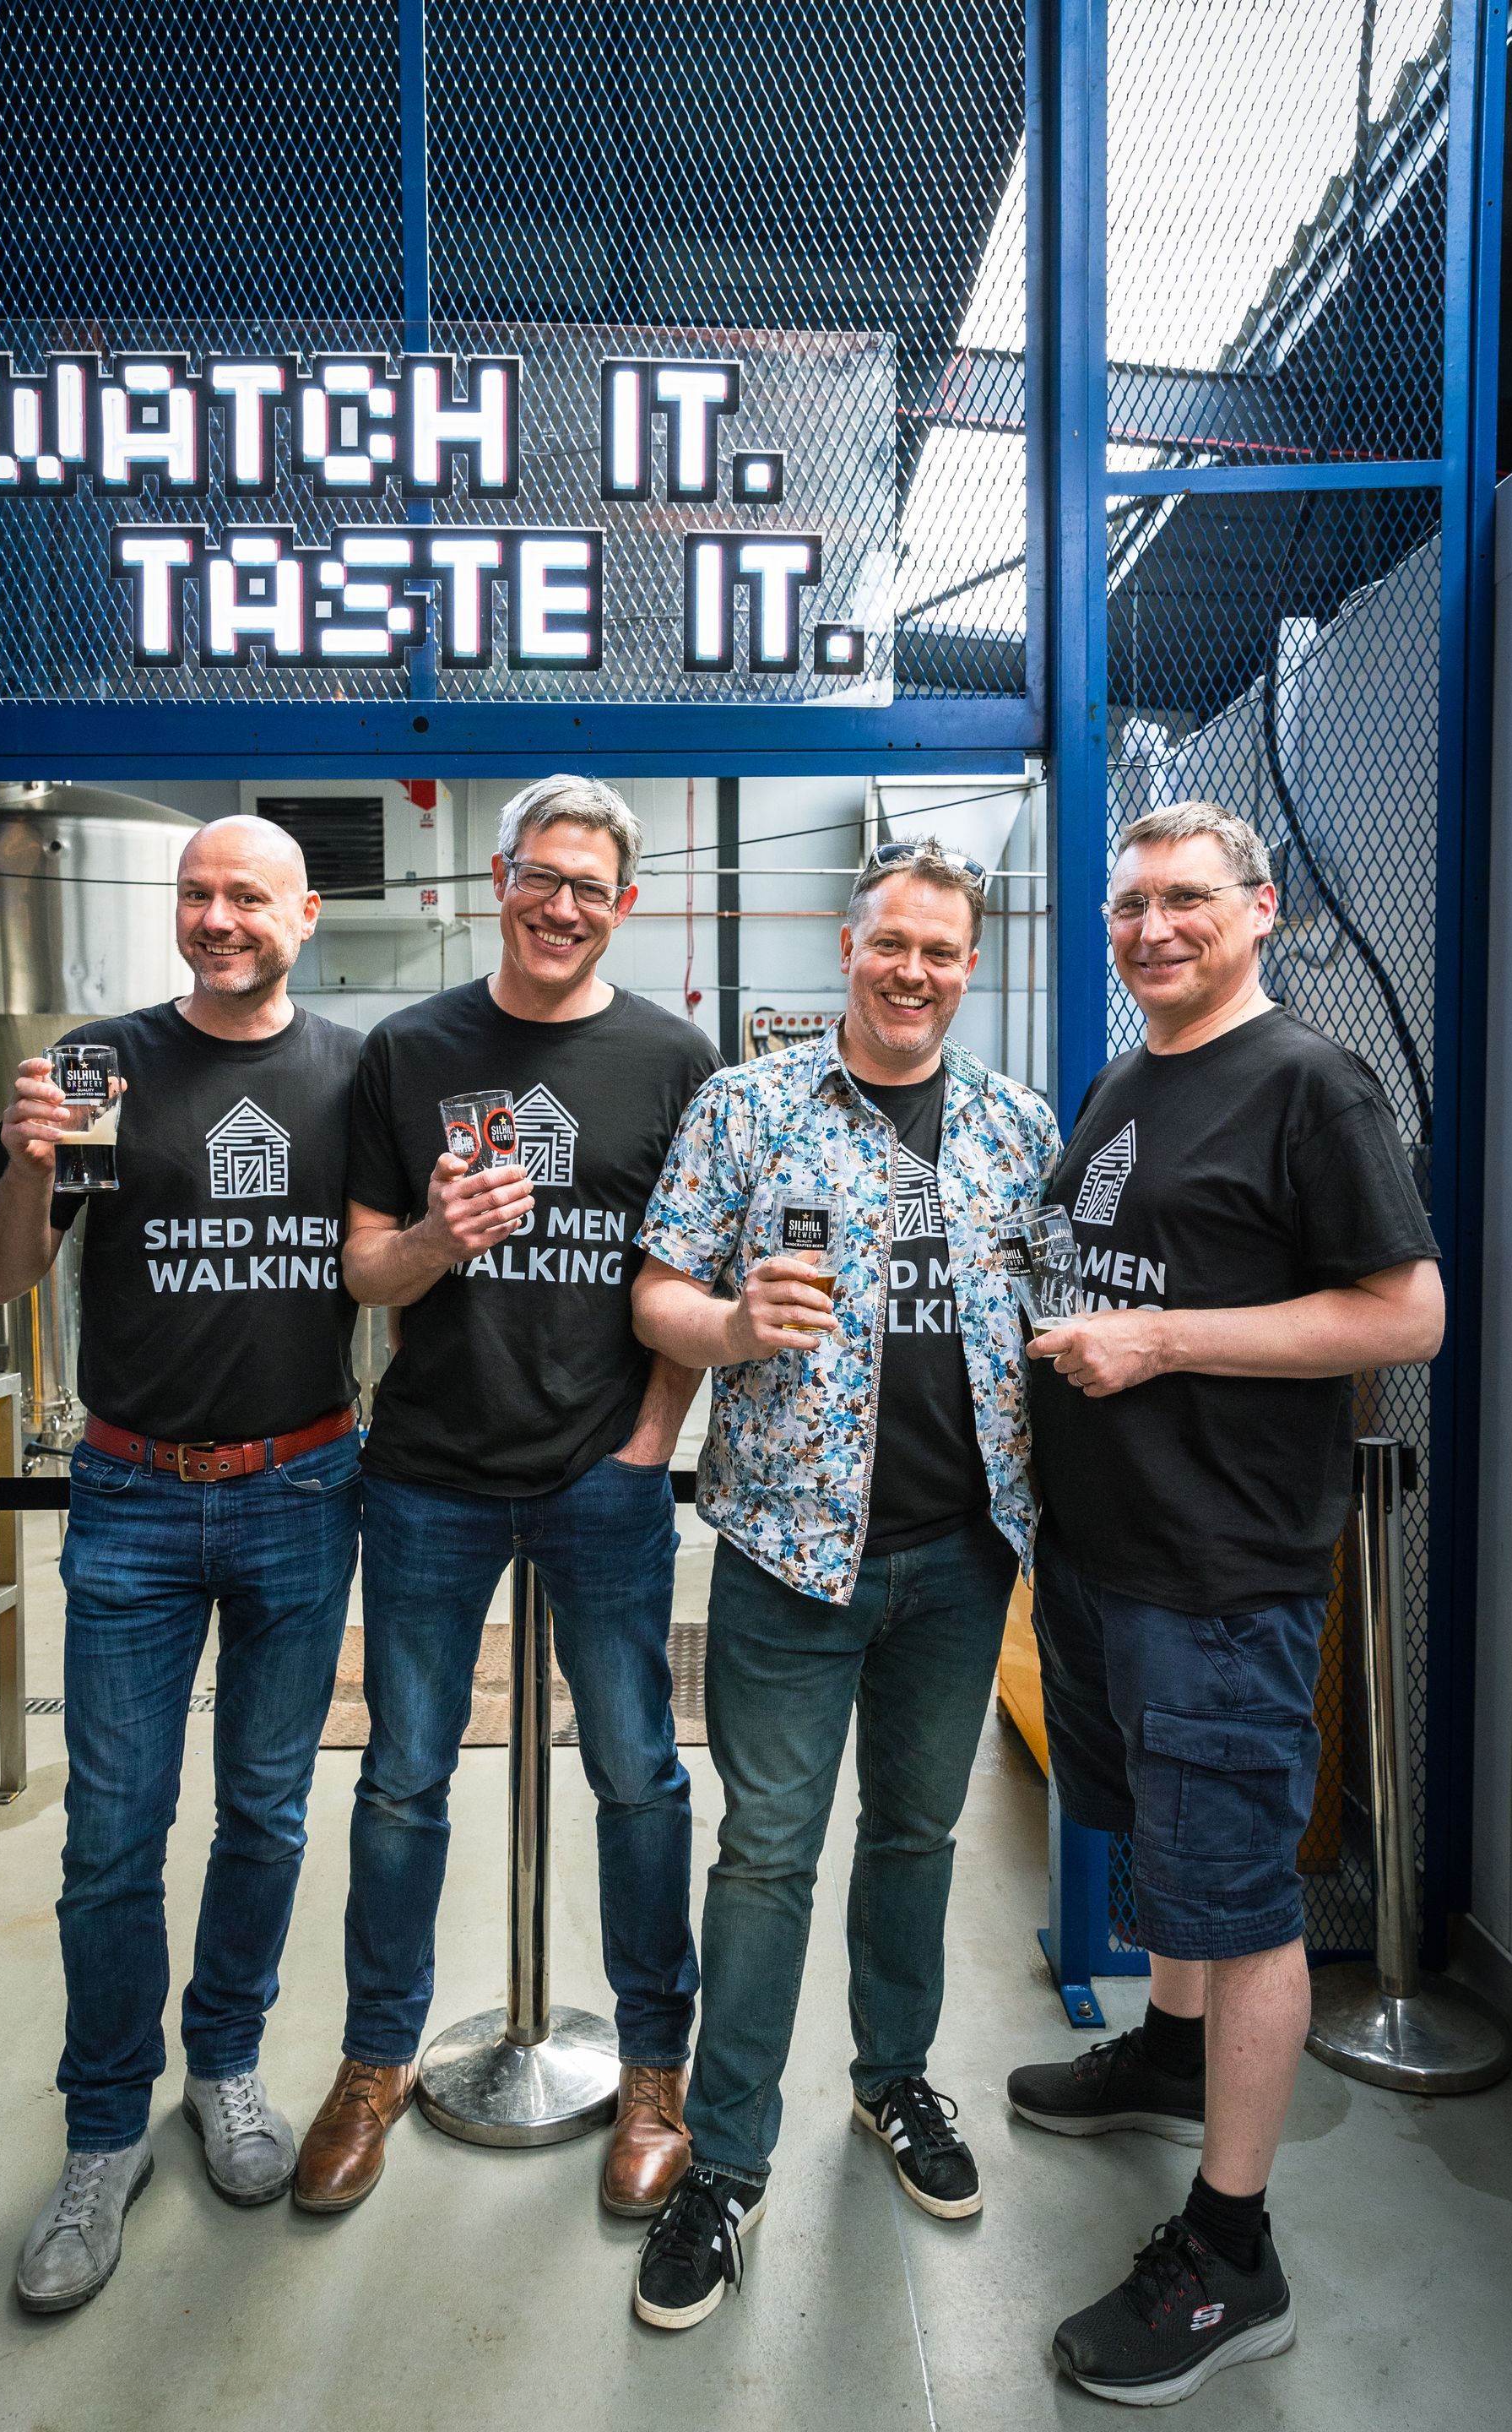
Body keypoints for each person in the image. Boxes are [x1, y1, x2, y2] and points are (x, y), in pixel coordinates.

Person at [1008, 801, 1444, 2408]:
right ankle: (1173, 2053)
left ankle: (1233, 2251)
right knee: (1166, 1854)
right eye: (1131, 905)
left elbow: (1409, 1314)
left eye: (1189, 900)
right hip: (1111, 1548)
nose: (1153, 928)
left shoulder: (1312, 1082)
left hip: (1220, 1567)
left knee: (1240, 1892)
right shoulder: (1134, 1075)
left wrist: (1168, 1341)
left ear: (1260, 909)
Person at [626, 838, 1059, 2330]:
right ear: (848, 942)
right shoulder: (748, 1108)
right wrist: (733, 1327)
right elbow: (659, 1291)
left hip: (962, 1561)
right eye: (891, 943)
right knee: (766, 1860)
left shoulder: (1017, 1129)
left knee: (919, 1839)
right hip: (790, 1560)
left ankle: (894, 2084)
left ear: (971, 959)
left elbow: (1064, 1317)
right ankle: (726, 2164)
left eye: (942, 948)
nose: (914, 970)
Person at [295, 774, 718, 2219]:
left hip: (604, 1475)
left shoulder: (676, 1059)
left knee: (638, 1774)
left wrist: (653, 1436)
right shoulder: (408, 1050)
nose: (561, 906)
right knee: (404, 1776)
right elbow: (361, 1268)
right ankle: (373, 2061)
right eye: (541, 876)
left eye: (590, 887)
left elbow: (693, 1279)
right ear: (497, 876)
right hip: (428, 1475)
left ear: (625, 905)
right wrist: (432, 1234)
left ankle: (654, 2064)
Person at [0, 817, 364, 2313]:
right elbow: (6, 1276)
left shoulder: (348, 1076)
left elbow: (386, 1259)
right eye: (196, 894)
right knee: (109, 1841)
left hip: (302, 1484)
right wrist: (24, 1163)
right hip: (131, 1495)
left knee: (264, 1812)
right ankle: (99, 2129)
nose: (217, 917)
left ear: (303, 914)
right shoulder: (97, 1063)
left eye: (245, 895)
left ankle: (228, 2069)